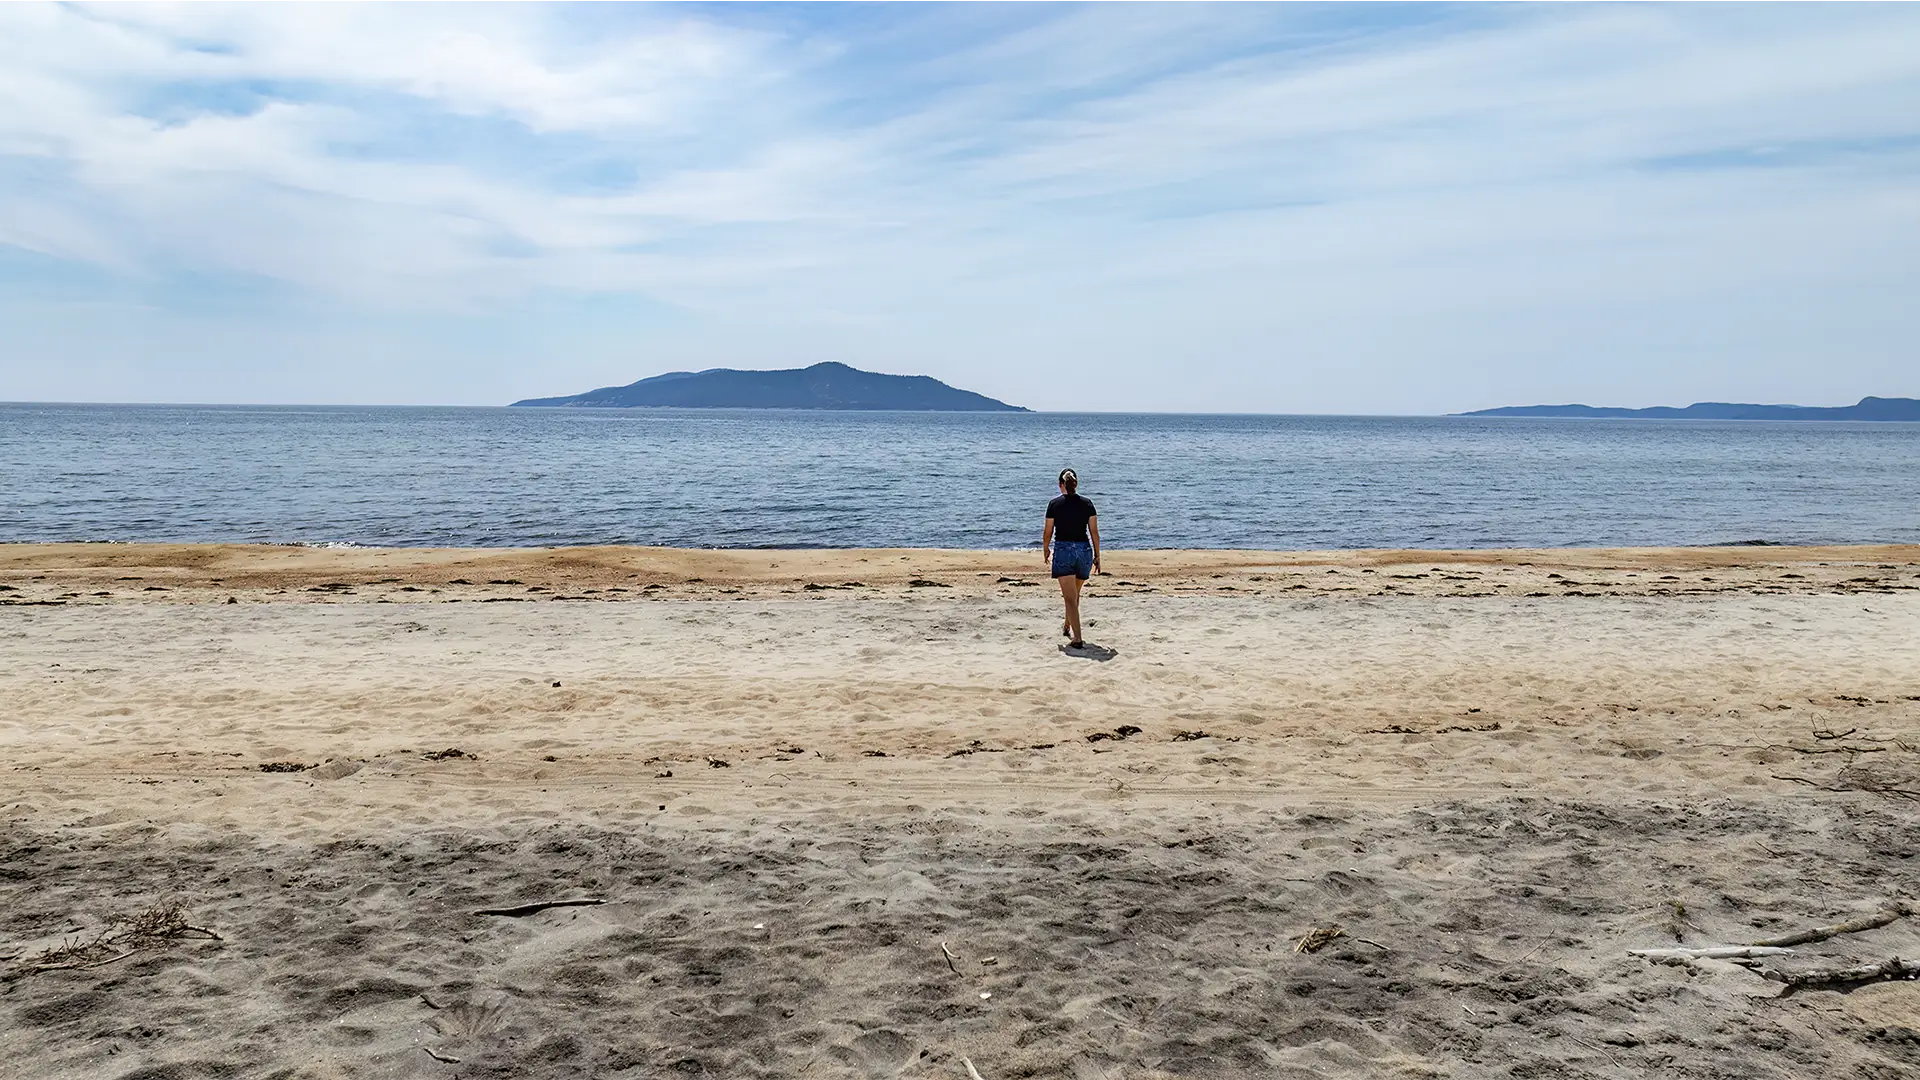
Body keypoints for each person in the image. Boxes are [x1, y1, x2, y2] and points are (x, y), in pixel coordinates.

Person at [1042, 468, 1100, 648]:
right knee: (1074, 595)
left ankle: (1077, 638)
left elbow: (1048, 531)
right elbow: (1094, 532)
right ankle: (1067, 625)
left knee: (1069, 597)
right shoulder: (1087, 503)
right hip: (1084, 551)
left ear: (1061, 485)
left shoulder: (1054, 504)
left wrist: (1045, 548)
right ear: (1076, 484)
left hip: (1064, 550)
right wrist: (1098, 556)